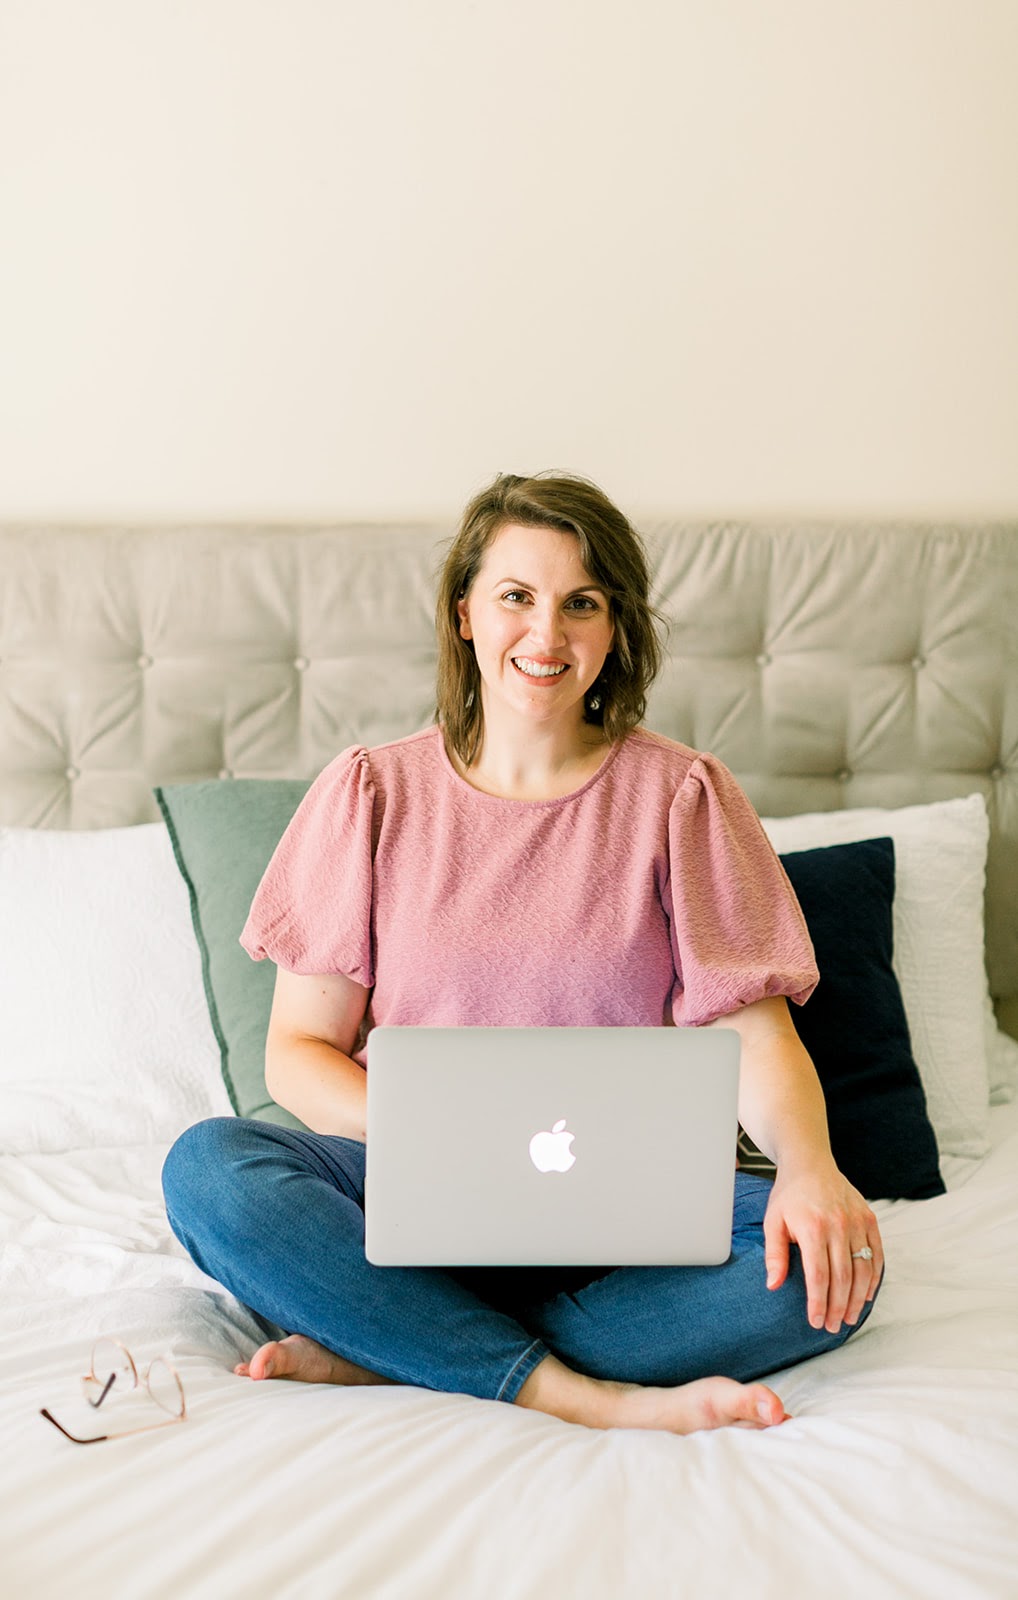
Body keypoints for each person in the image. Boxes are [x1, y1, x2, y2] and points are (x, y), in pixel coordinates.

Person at [162, 471, 883, 1435]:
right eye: (516, 596)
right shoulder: (371, 793)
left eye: (581, 604)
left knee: (833, 1270)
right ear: (464, 613)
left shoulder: (684, 797)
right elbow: (297, 1053)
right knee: (209, 1169)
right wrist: (448, 1139)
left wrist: (810, 1167)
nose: (547, 634)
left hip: (625, 1214)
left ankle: (394, 1344)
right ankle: (572, 1390)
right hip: (412, 1192)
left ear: (615, 628)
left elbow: (756, 1036)